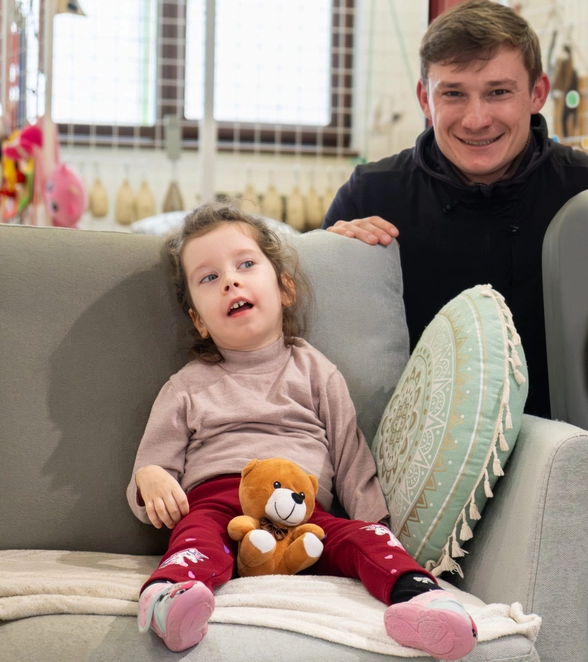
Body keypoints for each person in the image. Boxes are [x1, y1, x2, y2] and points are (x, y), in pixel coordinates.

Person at [128, 203, 477, 660]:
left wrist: (375, 525)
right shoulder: (186, 386)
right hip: (218, 505)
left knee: (367, 542)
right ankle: (169, 601)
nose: (231, 281)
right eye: (209, 277)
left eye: (245, 265)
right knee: (195, 538)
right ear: (198, 320)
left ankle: (423, 601)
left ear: (284, 288)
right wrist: (152, 478)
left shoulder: (315, 370)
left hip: (305, 514)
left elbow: (351, 457)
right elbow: (151, 469)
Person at [322, 0, 588, 418]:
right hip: (410, 445)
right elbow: (306, 342)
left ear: (537, 93)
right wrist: (328, 262)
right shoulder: (370, 195)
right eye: (453, 94)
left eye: (498, 92)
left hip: (570, 437)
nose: (476, 119)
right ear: (425, 99)